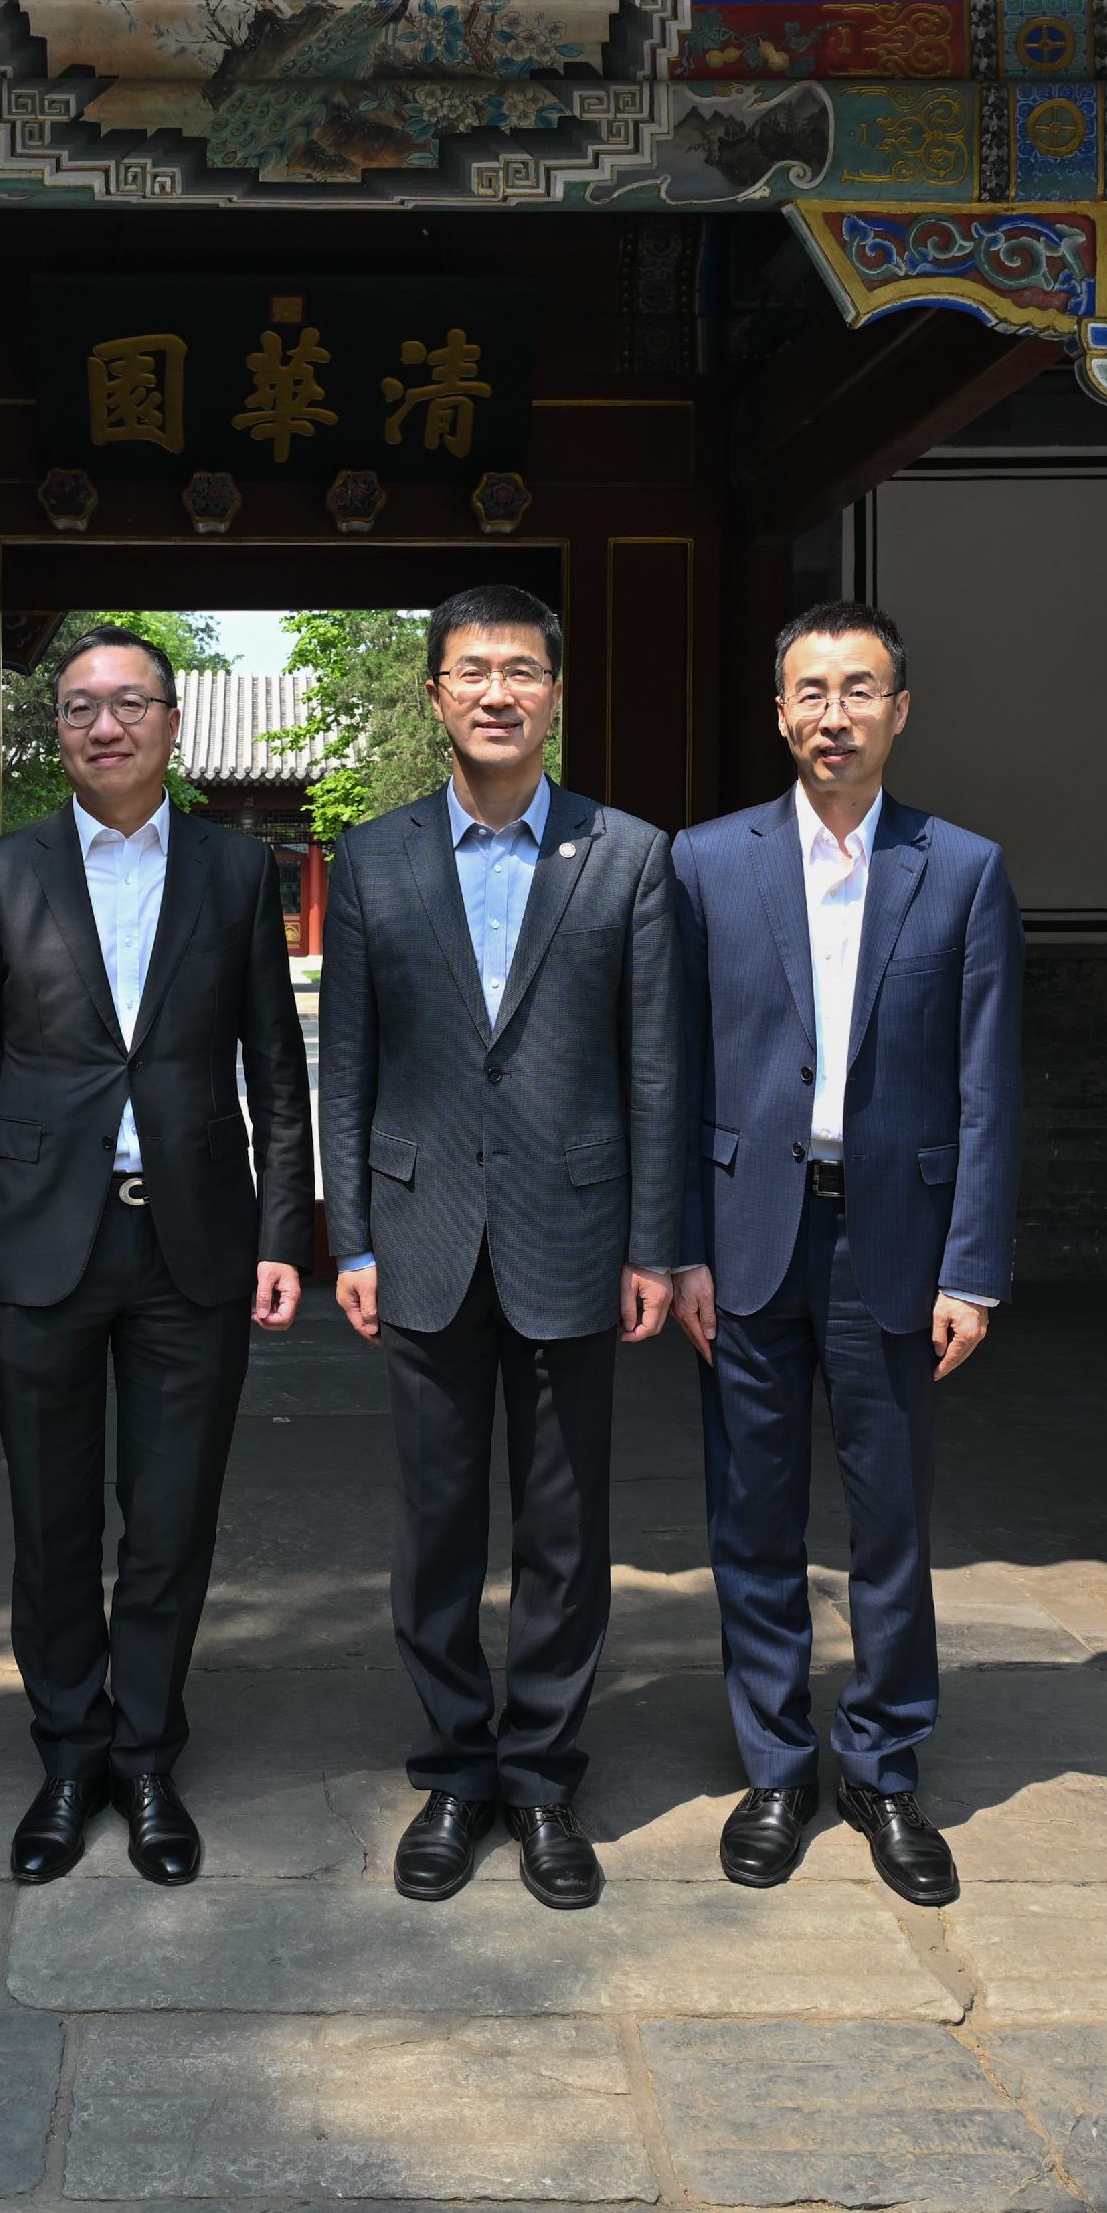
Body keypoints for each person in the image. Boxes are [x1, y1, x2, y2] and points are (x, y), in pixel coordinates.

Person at [320, 583, 684, 1911]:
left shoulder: (629, 854)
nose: (494, 691)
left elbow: (655, 1064)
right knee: (433, 1524)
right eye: (470, 668)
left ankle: (540, 1777)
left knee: (565, 1524)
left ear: (554, 693)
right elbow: (345, 1064)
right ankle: (453, 1765)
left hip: (574, 1231)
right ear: (433, 694)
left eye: (520, 669)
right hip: (419, 1231)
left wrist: (657, 1240)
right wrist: (347, 1231)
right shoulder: (372, 860)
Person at [0, 625, 314, 1888]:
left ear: (173, 724)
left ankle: (145, 1755)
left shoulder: (235, 872)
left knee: (168, 1521)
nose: (106, 725)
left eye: (130, 704)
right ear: (58, 730)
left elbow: (278, 1068)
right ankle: (65, 1753)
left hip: (193, 1242)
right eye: (81, 707)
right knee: (49, 1523)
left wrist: (282, 1235)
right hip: (41, 1241)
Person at [669, 600, 1022, 1909]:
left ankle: (882, 1763)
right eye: (810, 690)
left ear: (900, 710)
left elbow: (989, 1085)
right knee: (751, 1513)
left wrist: (971, 1264)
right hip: (749, 1233)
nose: (834, 713)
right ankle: (776, 1762)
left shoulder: (963, 868)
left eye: (860, 688)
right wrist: (681, 1248)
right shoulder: (705, 864)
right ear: (780, 711)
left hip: (897, 1238)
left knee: (894, 1519)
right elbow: (677, 1072)